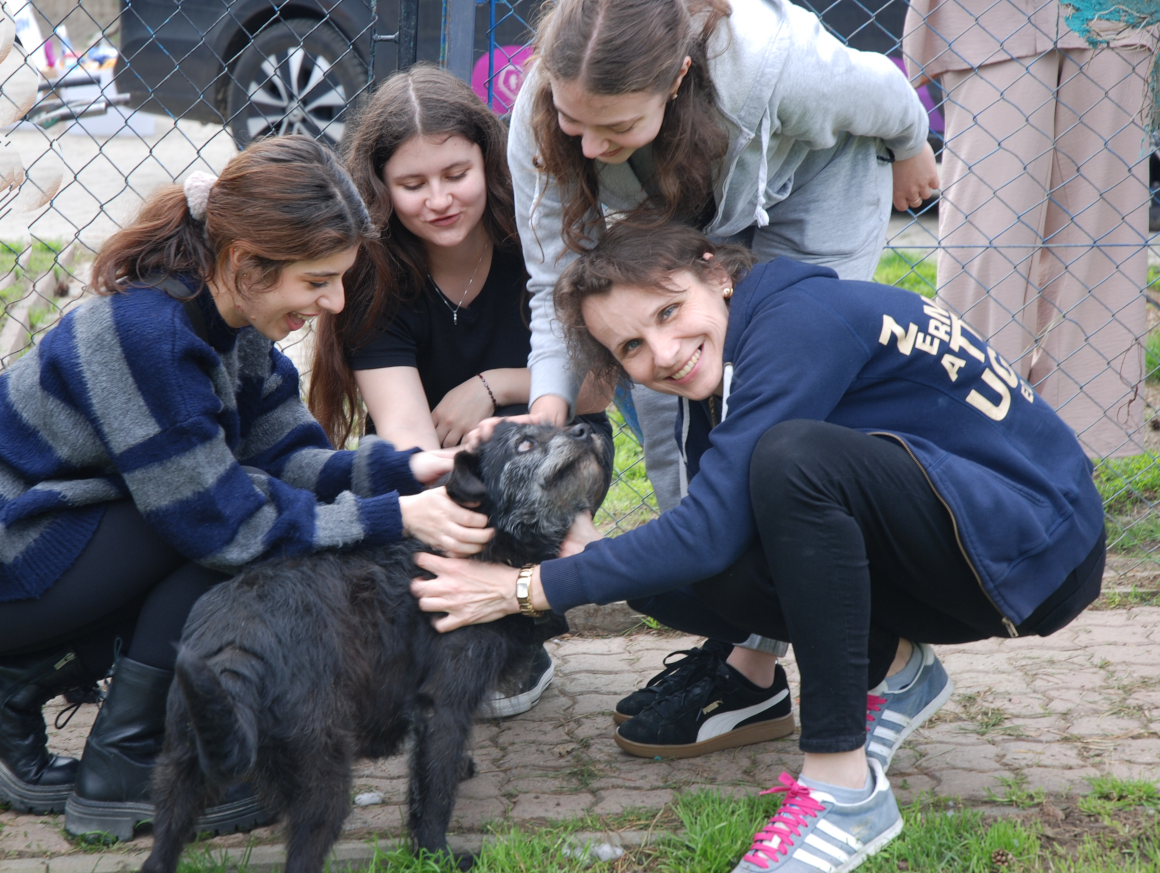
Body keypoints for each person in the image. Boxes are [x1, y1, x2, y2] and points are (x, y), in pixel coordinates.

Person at [412, 222, 1105, 871]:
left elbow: (710, 530)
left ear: (716, 273)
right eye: (632, 348)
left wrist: (525, 589)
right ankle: (894, 667)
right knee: (718, 542)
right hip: (973, 542)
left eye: (667, 312)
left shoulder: (797, 323)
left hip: (1039, 549)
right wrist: (589, 558)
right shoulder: (725, 366)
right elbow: (710, 553)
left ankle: (843, 788)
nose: (663, 353)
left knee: (791, 461)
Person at [0, 136, 493, 840]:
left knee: (229, 509)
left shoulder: (235, 324)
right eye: (317, 281)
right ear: (244, 261)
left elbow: (290, 459)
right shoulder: (147, 335)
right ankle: (126, 765)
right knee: (222, 533)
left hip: (38, 549)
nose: (331, 303)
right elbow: (222, 524)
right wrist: (396, 517)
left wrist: (406, 472)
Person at [505, 0, 940, 749]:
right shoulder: (544, 107)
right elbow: (554, 281)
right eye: (576, 122)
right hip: (682, 210)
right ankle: (739, 636)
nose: (591, 146)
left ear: (676, 78)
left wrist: (911, 147)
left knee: (771, 427)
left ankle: (762, 667)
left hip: (814, 192)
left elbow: (884, 87)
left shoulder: (774, 66)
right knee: (670, 398)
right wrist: (549, 406)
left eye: (616, 127)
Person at [309, 65, 610, 717]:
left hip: (540, 444)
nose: (439, 199)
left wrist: (493, 386)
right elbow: (407, 439)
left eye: (456, 174)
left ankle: (521, 635)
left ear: (489, 163)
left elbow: (596, 389)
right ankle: (440, 628)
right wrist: (451, 493)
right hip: (443, 463)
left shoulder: (533, 243)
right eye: (412, 184)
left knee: (535, 444)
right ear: (381, 190)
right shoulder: (374, 277)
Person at [902, 1, 1156, 457]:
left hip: (1117, 15)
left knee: (1100, 242)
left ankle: (1073, 458)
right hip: (988, 13)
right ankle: (971, 440)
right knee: (986, 237)